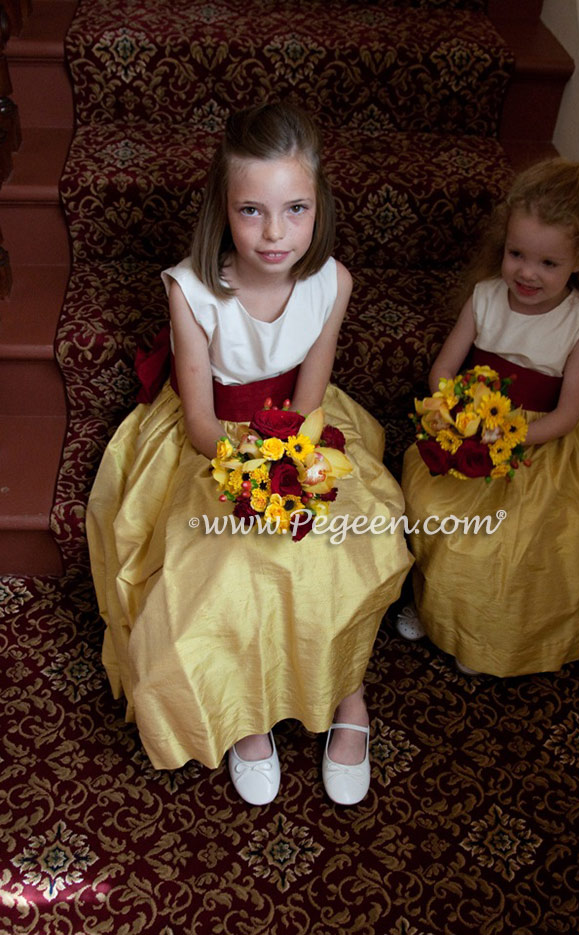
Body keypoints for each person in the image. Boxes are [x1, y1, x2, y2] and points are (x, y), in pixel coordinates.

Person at [87, 102, 412, 806]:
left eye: (295, 208)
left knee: (348, 542)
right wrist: (252, 469)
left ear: (319, 203)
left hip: (298, 431)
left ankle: (346, 695)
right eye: (252, 211)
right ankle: (247, 712)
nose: (274, 233)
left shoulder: (334, 283)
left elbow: (311, 398)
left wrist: (293, 468)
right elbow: (201, 420)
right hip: (218, 443)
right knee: (227, 564)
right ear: (223, 209)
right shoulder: (191, 290)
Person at [398, 158, 579, 678]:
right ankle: (436, 611)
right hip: (471, 427)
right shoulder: (485, 298)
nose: (526, 273)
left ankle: (489, 632)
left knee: (537, 539)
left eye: (548, 263)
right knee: (444, 517)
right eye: (516, 254)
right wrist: (457, 417)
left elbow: (569, 413)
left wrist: (511, 438)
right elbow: (443, 372)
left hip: (540, 445)